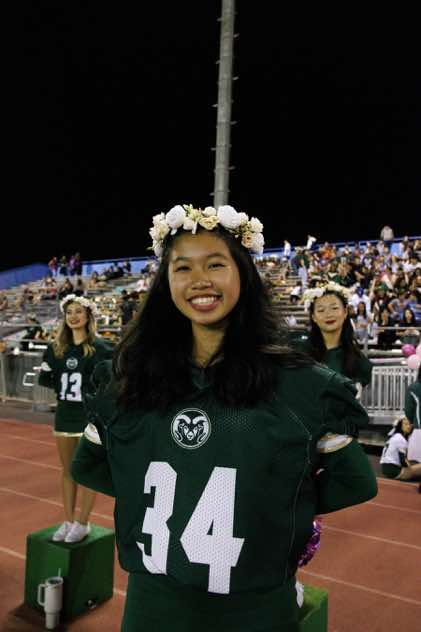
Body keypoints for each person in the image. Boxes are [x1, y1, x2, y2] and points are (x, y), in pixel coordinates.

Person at [71, 204, 377, 632]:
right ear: (165, 281)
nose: (199, 279)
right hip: (152, 606)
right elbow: (87, 464)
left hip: (253, 611)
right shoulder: (126, 379)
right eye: (182, 267)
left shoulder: (301, 384)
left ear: (243, 275)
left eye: (215, 264)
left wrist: (265, 499)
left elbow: (357, 481)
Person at [38, 294, 114, 543]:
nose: (73, 316)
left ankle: (83, 522)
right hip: (64, 415)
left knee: (87, 471)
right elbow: (46, 379)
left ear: (88, 315)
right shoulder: (55, 348)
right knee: (67, 470)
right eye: (69, 312)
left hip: (89, 416)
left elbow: (112, 380)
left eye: (78, 311)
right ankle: (69, 520)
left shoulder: (101, 348)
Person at [300, 282, 373, 396]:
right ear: (313, 317)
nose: (328, 314)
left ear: (345, 312)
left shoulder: (358, 360)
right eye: (321, 310)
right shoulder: (300, 352)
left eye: (334, 308)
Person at [380, 417, 421, 481]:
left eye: (410, 424)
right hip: (394, 471)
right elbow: (403, 461)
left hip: (385, 468)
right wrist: (411, 469)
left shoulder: (394, 436)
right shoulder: (401, 439)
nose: (408, 426)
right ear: (400, 426)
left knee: (415, 463)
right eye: (405, 424)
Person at [405, 366, 421, 473]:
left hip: (419, 431)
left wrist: (411, 422)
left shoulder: (414, 388)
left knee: (414, 466)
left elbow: (409, 411)